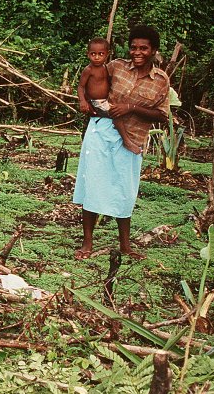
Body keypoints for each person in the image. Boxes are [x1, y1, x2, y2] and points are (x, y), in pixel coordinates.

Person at [73, 25, 170, 260]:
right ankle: (87, 244)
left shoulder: (160, 80)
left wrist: (131, 108)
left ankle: (125, 246)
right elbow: (90, 81)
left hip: (133, 139)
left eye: (143, 48)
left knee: (125, 191)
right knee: (93, 185)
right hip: (101, 131)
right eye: (134, 47)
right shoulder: (115, 66)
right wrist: (86, 102)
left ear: (154, 51)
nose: (137, 52)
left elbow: (162, 116)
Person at [77, 37, 131, 149]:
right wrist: (82, 101)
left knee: (111, 118)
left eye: (101, 54)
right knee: (115, 115)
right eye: (93, 54)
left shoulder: (107, 69)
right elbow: (81, 86)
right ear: (88, 54)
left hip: (104, 102)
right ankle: (126, 140)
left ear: (107, 54)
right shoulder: (88, 70)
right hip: (94, 102)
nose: (97, 57)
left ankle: (111, 143)